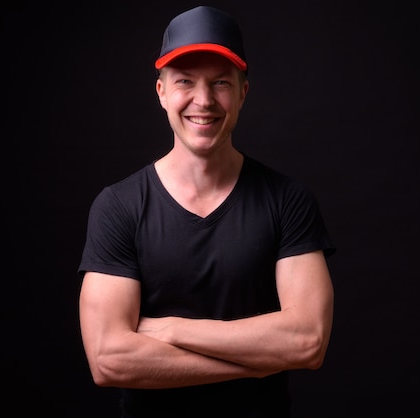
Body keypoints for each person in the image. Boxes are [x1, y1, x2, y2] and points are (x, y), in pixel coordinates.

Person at [78, 5, 336, 417]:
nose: (204, 100)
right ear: (161, 91)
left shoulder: (288, 201)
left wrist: (170, 329)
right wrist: (255, 365)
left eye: (220, 82)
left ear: (243, 92)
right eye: (185, 82)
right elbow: (109, 360)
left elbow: (307, 342)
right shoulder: (118, 206)